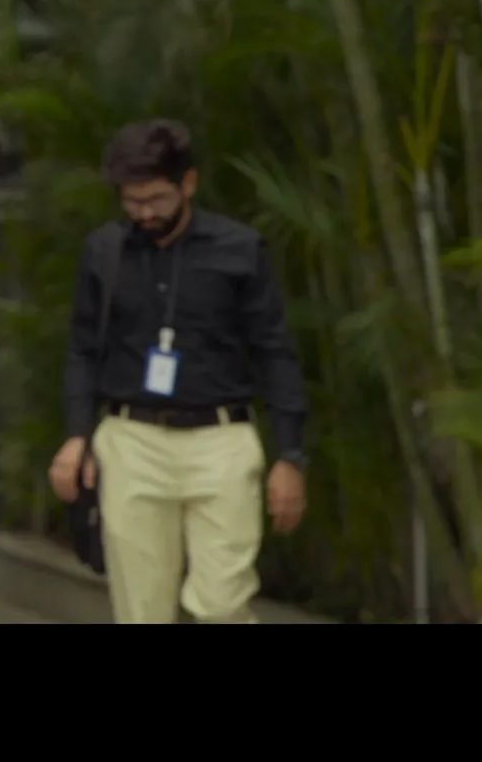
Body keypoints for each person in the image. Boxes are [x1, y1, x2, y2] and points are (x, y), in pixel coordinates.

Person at [48, 118, 309, 624]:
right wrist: (76, 436)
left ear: (187, 183)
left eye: (157, 199)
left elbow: (276, 352)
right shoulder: (105, 251)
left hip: (222, 442)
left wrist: (290, 456)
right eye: (132, 202)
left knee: (222, 605)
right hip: (132, 441)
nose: (145, 213)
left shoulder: (240, 250)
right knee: (141, 609)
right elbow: (82, 349)